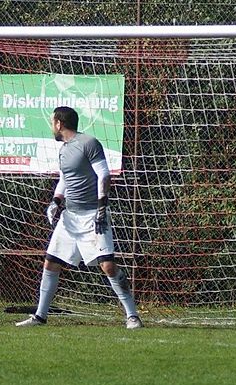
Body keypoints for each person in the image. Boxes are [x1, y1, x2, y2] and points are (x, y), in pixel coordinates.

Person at [16, 106, 143, 329]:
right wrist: (56, 201)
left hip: (93, 215)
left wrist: (102, 206)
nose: (51, 126)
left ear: (59, 123)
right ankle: (40, 316)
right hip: (70, 217)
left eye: (52, 122)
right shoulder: (64, 150)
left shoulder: (89, 143)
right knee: (51, 262)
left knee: (108, 266)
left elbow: (103, 174)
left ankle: (132, 316)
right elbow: (65, 178)